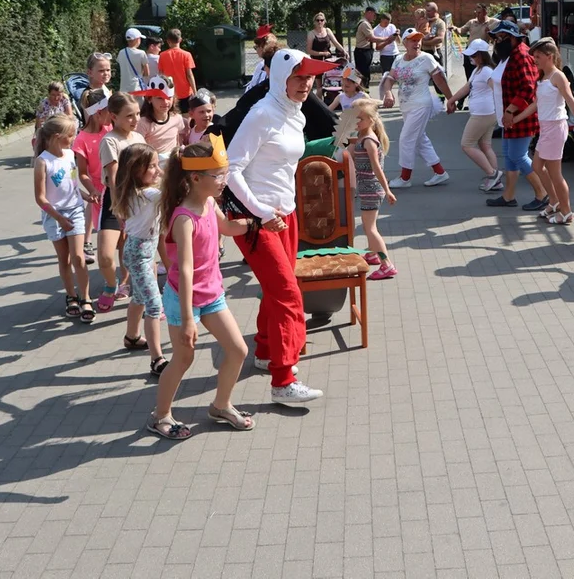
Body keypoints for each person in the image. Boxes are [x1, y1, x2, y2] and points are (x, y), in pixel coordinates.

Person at [226, 48, 331, 404]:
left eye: (310, 77)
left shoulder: (295, 113)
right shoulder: (261, 114)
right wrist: (257, 211)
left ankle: (266, 351)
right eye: (299, 77)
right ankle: (282, 381)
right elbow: (230, 168)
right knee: (288, 295)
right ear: (279, 77)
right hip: (257, 221)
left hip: (286, 216)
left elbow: (288, 155)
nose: (306, 83)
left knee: (278, 289)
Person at [147, 138, 254, 439]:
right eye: (218, 175)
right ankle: (160, 416)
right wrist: (188, 319)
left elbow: (229, 229)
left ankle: (220, 406)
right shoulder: (184, 218)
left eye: (224, 173)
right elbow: (183, 269)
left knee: (237, 350)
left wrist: (257, 221)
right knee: (183, 359)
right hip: (184, 299)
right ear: (195, 178)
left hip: (211, 295)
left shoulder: (209, 203)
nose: (224, 181)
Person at [33, 115, 98, 324]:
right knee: (65, 259)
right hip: (55, 216)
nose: (74, 138)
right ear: (57, 137)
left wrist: (84, 196)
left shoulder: (70, 155)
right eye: (71, 135)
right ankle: (71, 296)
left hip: (75, 211)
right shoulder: (43, 162)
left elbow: (70, 183)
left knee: (79, 257)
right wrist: (59, 218)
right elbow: (40, 198)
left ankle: (86, 298)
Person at [517, 38, 574, 225]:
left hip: (556, 127)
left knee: (555, 174)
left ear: (550, 56)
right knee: (536, 167)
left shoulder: (558, 76)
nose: (535, 60)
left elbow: (571, 101)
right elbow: (536, 104)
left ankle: (566, 212)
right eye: (534, 57)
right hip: (546, 128)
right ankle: (554, 201)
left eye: (538, 56)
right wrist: (516, 119)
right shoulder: (542, 77)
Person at [111, 143, 169, 376]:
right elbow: (173, 193)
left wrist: (159, 161)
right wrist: (169, 168)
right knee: (154, 305)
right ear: (136, 171)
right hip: (138, 252)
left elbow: (162, 161)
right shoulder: (148, 194)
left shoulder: (138, 190)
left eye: (157, 165)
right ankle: (157, 359)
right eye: (152, 167)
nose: (157, 170)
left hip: (143, 251)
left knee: (140, 297)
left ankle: (132, 337)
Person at [486, 21, 550, 211]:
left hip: (520, 117)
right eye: (496, 38)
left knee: (517, 155)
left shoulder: (521, 55)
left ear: (512, 37)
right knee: (509, 156)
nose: (497, 41)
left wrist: (510, 111)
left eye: (500, 38)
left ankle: (542, 194)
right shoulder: (511, 54)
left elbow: (528, 88)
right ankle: (508, 196)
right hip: (512, 116)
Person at [380, 28, 454, 188]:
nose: (417, 43)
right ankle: (440, 173)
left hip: (421, 104)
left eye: (419, 39)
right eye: (413, 40)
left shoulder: (426, 59)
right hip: (406, 106)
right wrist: (388, 93)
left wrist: (451, 99)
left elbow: (440, 81)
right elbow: (390, 78)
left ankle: (405, 178)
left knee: (406, 139)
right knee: (420, 140)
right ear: (405, 42)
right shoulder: (398, 59)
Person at [95, 92, 145, 315]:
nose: (135, 120)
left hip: (140, 202)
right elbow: (113, 178)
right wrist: (120, 207)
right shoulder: (110, 140)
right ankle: (110, 284)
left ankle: (129, 286)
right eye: (129, 116)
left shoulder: (138, 139)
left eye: (137, 115)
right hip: (115, 202)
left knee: (130, 253)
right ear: (114, 116)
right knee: (106, 255)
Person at [350, 99, 398, 279]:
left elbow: (377, 168)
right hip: (367, 188)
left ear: (371, 120)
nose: (357, 121)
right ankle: (372, 254)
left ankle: (387, 264)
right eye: (355, 118)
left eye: (361, 118)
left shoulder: (369, 140)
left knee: (370, 228)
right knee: (369, 225)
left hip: (371, 188)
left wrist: (388, 190)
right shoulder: (361, 136)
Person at [446, 38, 503, 191]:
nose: (470, 58)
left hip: (483, 114)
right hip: (485, 113)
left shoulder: (486, 71)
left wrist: (502, 111)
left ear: (481, 55)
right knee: (485, 145)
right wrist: (452, 100)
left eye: (473, 55)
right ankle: (496, 179)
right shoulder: (479, 70)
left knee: (466, 145)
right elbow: (467, 87)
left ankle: (492, 174)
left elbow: (497, 90)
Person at [73, 88, 112, 266]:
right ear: (98, 113)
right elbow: (82, 172)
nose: (112, 114)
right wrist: (92, 190)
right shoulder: (81, 139)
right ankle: (110, 279)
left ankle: (126, 280)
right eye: (109, 111)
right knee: (108, 242)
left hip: (118, 189)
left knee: (125, 240)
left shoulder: (111, 128)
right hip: (101, 196)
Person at [135, 78, 187, 169]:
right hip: (153, 167)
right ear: (150, 99)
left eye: (169, 97)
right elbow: (140, 151)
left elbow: (178, 140)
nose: (165, 102)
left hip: (174, 165)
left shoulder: (177, 118)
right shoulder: (143, 123)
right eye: (160, 98)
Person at [452, 3, 500, 82]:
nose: (477, 15)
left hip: (480, 52)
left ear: (485, 12)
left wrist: (490, 29)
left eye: (479, 13)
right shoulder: (472, 22)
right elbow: (461, 30)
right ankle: (469, 87)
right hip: (469, 50)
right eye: (476, 13)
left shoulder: (492, 22)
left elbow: (501, 23)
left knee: (480, 70)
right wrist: (455, 28)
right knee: (468, 69)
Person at [158, 28, 197, 113]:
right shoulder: (186, 55)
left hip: (170, 92)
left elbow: (161, 74)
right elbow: (189, 75)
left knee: (172, 116)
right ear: (180, 40)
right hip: (185, 92)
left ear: (168, 41)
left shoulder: (162, 55)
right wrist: (195, 91)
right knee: (187, 117)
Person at [352, 7, 378, 89]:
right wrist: (387, 39)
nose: (375, 17)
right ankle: (363, 93)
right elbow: (372, 38)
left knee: (363, 74)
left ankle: (363, 92)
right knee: (363, 75)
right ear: (369, 13)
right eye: (374, 15)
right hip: (362, 52)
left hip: (365, 51)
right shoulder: (364, 24)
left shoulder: (366, 23)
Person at [117, 28, 150, 92]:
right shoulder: (141, 53)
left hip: (123, 89)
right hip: (136, 88)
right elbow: (147, 73)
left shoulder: (121, 52)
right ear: (137, 39)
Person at [246, 26, 275, 92]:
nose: (256, 50)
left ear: (263, 47)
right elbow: (251, 87)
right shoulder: (260, 66)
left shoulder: (275, 65)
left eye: (256, 47)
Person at [372, 12, 399, 76]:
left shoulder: (392, 26)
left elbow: (399, 41)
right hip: (385, 56)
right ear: (381, 20)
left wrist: (397, 35)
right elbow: (377, 47)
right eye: (386, 22)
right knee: (386, 76)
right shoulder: (376, 30)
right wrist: (387, 42)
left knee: (398, 75)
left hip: (396, 53)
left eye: (389, 22)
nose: (387, 24)